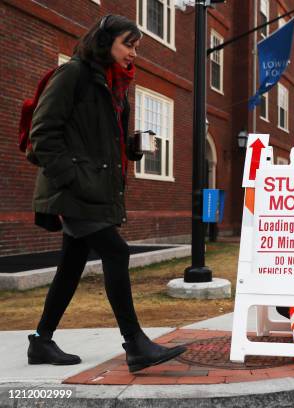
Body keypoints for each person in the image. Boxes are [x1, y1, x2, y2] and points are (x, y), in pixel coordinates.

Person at [27, 15, 186, 373]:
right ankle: (136, 344)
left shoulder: (114, 86)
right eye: (128, 44)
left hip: (91, 189)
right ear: (104, 42)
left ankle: (40, 341)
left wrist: (130, 148)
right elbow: (43, 133)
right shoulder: (73, 75)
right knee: (116, 251)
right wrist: (73, 178)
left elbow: (97, 141)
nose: (133, 53)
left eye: (137, 47)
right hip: (75, 190)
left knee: (70, 267)